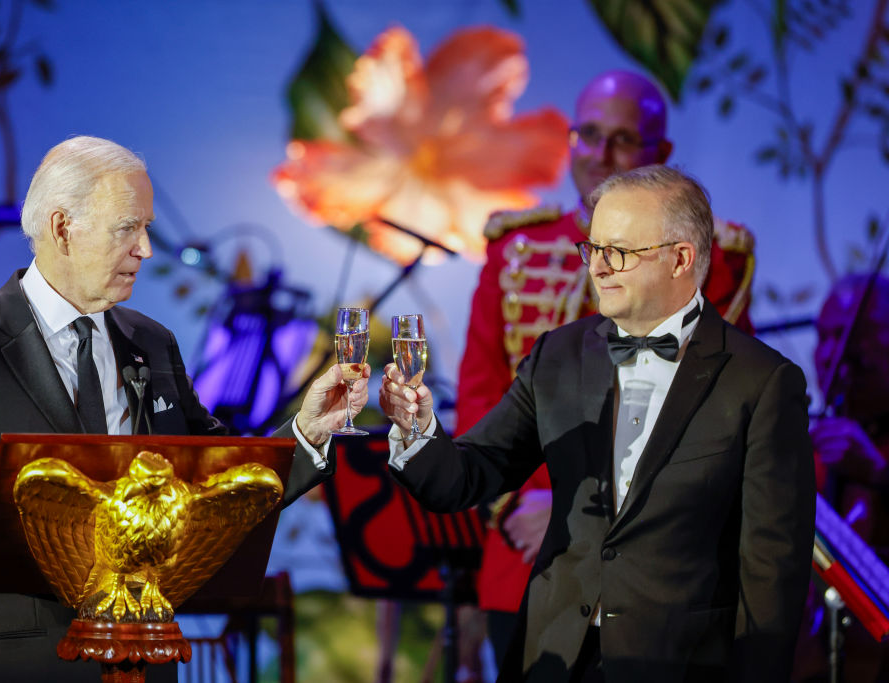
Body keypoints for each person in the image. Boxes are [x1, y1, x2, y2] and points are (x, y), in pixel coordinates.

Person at [0, 136, 367, 683]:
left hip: (141, 663)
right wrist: (40, 551)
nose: (146, 249)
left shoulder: (153, 343)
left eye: (147, 227)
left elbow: (212, 475)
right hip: (18, 663)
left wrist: (307, 432)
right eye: (128, 227)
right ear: (62, 228)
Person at [380, 165, 815, 682]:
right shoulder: (558, 355)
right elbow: (468, 475)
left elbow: (772, 577)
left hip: (678, 665)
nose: (599, 269)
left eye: (620, 252)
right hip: (553, 658)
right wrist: (414, 429)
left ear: (681, 259)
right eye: (594, 249)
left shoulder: (762, 382)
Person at [456, 69, 757, 665]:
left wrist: (584, 513)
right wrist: (525, 507)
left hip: (653, 566)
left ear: (661, 154)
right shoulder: (513, 253)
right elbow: (481, 398)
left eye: (623, 139)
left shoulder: (710, 260)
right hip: (527, 551)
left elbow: (713, 417)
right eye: (587, 135)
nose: (601, 155)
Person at [794, 273, 889, 682]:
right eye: (825, 337)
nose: (835, 354)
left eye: (853, 337)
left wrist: (881, 476)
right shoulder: (810, 453)